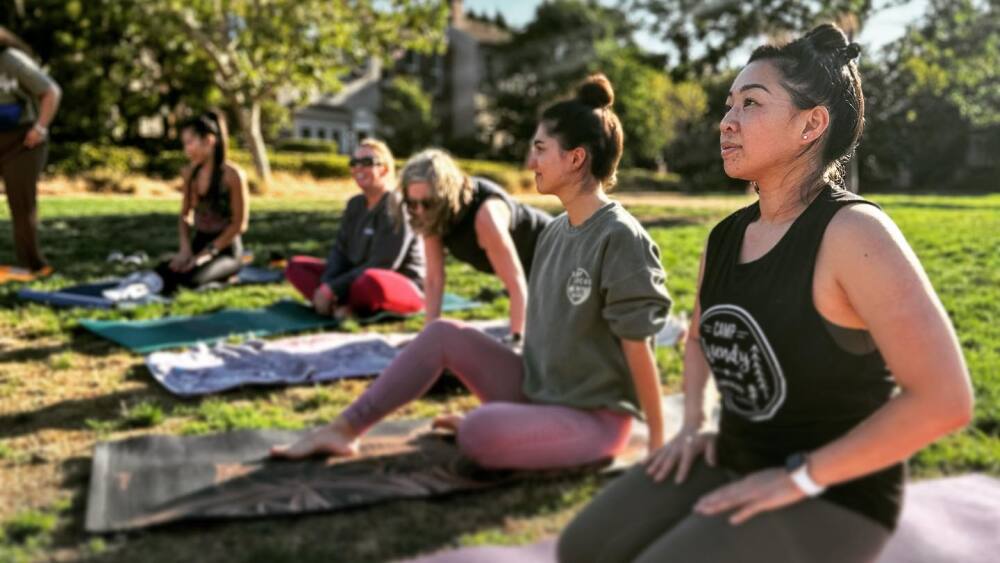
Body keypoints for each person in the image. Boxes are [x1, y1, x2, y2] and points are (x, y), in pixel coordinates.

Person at [557, 24, 973, 563]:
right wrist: (693, 426)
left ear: (811, 125)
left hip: (837, 495)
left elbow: (945, 400)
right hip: (734, 457)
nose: (726, 121)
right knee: (584, 547)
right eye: (729, 104)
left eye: (751, 104)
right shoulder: (726, 235)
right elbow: (700, 338)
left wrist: (801, 479)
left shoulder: (854, 234)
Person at [271, 74, 673, 471]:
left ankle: (514, 427)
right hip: (541, 390)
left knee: (479, 431)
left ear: (575, 158)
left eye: (539, 148)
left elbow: (639, 350)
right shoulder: (554, 231)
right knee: (441, 334)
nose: (530, 161)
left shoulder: (619, 237)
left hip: (595, 420)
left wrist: (657, 443)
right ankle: (343, 430)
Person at [395, 149, 552, 342]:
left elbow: (516, 283)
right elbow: (434, 279)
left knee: (557, 342)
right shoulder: (431, 215)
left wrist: (517, 339)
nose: (419, 211)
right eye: (412, 203)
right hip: (529, 272)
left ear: (445, 196)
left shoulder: (486, 217)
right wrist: (427, 338)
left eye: (427, 203)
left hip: (558, 254)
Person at [284, 139, 425, 318]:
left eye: (367, 163)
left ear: (384, 169)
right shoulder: (354, 204)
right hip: (356, 278)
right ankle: (343, 306)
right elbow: (340, 251)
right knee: (296, 267)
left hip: (394, 282)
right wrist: (327, 286)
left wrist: (333, 289)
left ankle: (345, 306)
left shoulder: (397, 206)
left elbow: (384, 264)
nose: (358, 168)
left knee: (370, 280)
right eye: (354, 163)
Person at [153, 112, 249, 295]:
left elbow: (239, 224)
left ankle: (227, 278)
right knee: (163, 275)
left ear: (209, 141)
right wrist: (185, 249)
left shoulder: (233, 175)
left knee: (190, 283)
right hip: (198, 243)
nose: (186, 150)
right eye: (184, 144)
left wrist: (206, 254)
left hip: (226, 250)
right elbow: (184, 214)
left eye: (190, 143)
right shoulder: (190, 173)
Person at [0, 27, 60, 274]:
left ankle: (33, 265)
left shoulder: (12, 60)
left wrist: (40, 128)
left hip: (23, 141)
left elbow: (51, 91)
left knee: (21, 205)